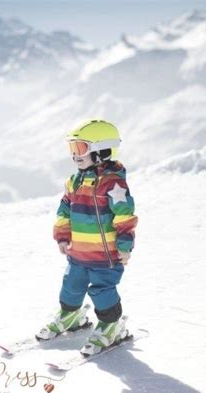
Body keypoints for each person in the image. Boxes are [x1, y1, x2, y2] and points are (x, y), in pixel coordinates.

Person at [35, 119, 138, 356]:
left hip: (106, 256)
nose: (75, 155)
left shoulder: (113, 184)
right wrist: (62, 236)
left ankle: (112, 326)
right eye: (72, 149)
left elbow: (125, 216)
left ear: (102, 151)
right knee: (71, 287)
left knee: (103, 291)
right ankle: (71, 316)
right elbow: (64, 210)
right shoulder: (74, 181)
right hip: (78, 254)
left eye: (80, 148)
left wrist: (125, 246)